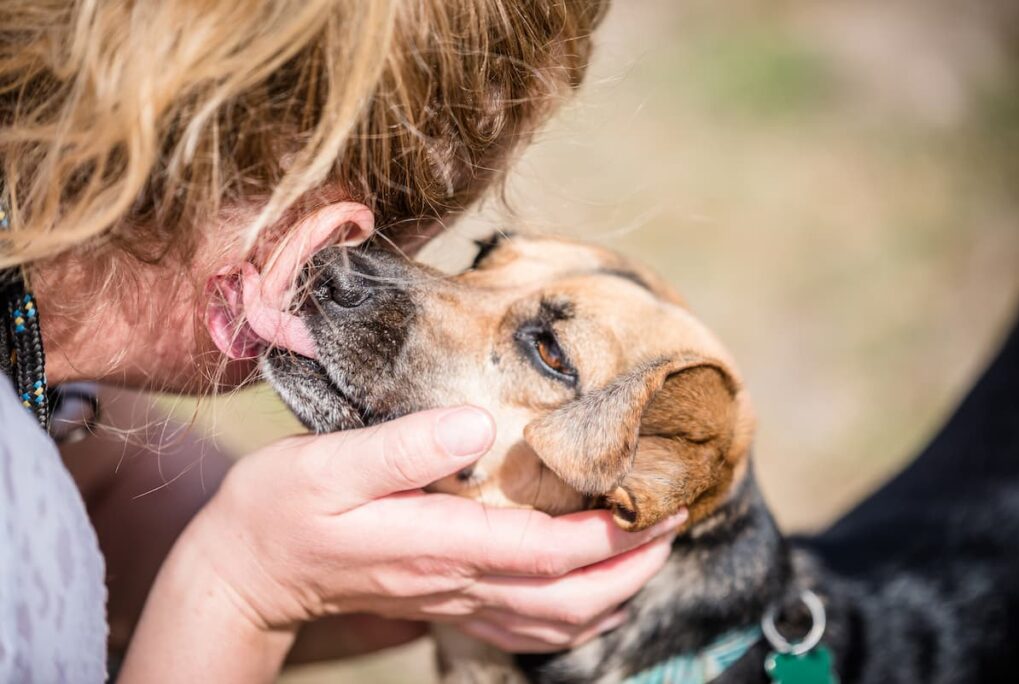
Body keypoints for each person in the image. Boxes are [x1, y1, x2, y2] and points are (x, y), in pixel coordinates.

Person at [0, 1, 689, 682]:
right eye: (399, 229)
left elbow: (110, 500)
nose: (370, 273)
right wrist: (248, 590)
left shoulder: (45, 372)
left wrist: (404, 579)